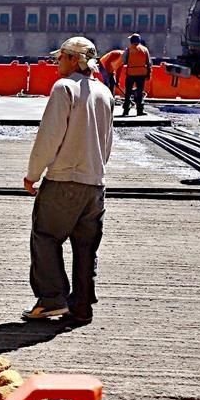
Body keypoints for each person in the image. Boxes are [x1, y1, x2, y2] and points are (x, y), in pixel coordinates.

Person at [22, 36, 114, 326]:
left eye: (60, 57)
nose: (56, 63)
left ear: (75, 59)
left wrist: (33, 174)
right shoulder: (104, 93)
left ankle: (51, 299)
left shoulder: (64, 89)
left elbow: (49, 138)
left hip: (64, 180)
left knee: (46, 237)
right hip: (94, 184)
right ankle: (82, 307)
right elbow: (107, 142)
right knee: (86, 247)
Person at [121, 33, 152, 116]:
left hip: (130, 73)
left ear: (131, 41)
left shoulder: (128, 49)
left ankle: (126, 111)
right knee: (139, 92)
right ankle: (139, 111)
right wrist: (149, 73)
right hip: (141, 74)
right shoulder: (145, 49)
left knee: (128, 93)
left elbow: (123, 60)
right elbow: (149, 63)